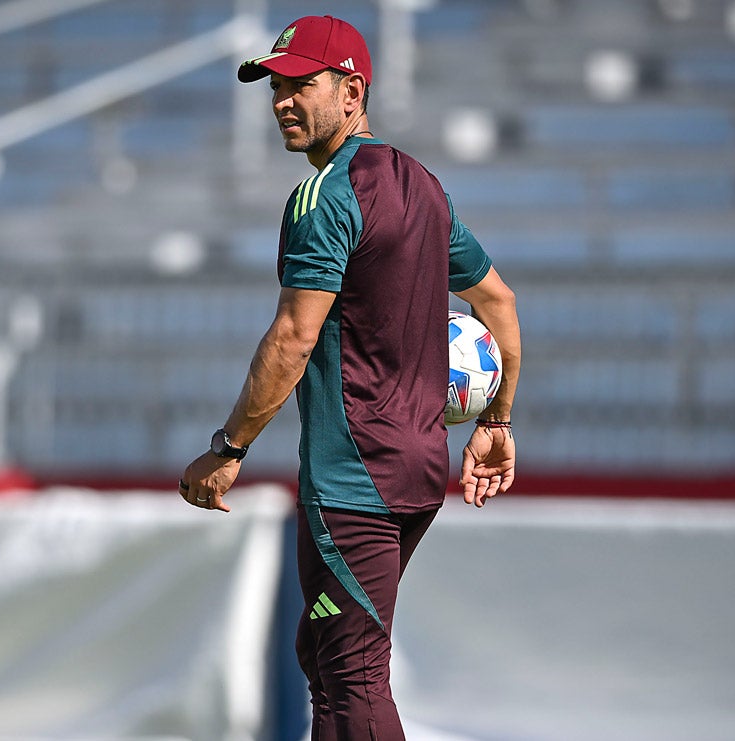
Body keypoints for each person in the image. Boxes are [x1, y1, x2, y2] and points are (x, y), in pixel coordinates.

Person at [179, 15, 520, 740]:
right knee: (328, 659)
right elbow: (497, 302)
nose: (281, 101)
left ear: (352, 89)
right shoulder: (423, 186)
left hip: (353, 477)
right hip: (415, 469)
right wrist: (495, 423)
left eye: (301, 83)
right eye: (276, 86)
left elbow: (293, 337)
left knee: (353, 673)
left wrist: (228, 448)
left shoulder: (327, 196)